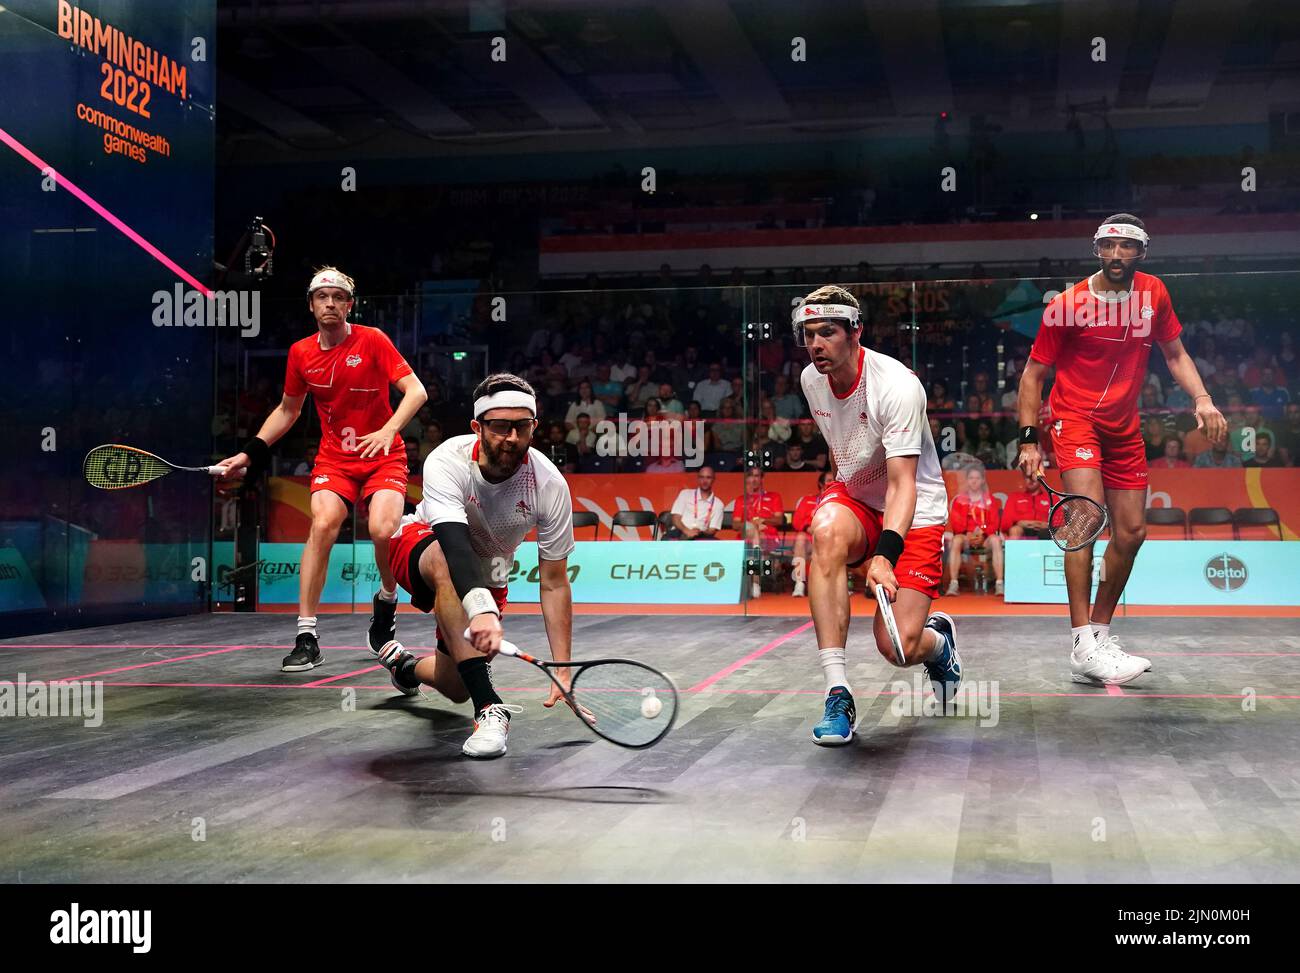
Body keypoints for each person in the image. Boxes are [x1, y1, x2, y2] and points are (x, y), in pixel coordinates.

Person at [1016, 215, 1228, 685]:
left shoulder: (1154, 294)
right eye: (1108, 247)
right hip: (1075, 420)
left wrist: (1203, 399)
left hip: (1124, 428)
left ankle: (1099, 632)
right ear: (1097, 250)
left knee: (1131, 533)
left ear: (1141, 253)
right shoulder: (1067, 305)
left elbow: (1175, 354)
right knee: (1085, 519)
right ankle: (1080, 644)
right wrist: (1029, 441)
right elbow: (1032, 376)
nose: (1116, 255)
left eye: (1126, 247)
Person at [217, 267, 428, 672]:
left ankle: (386, 601)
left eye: (338, 297)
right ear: (311, 305)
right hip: (336, 459)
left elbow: (416, 390)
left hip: (384, 455)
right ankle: (307, 636)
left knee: (384, 528)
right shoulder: (300, 353)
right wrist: (250, 453)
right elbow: (288, 410)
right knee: (324, 523)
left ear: (349, 304)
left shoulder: (373, 340)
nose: (330, 303)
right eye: (321, 297)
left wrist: (389, 430)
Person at [375, 373, 577, 758]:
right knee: (448, 563)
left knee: (454, 685)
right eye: (500, 426)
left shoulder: (549, 484)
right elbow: (454, 544)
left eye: (522, 426)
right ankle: (490, 709)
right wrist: (481, 610)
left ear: (534, 427)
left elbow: (553, 582)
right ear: (477, 427)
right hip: (420, 548)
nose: (512, 437)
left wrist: (563, 668)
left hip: (488, 573)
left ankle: (402, 665)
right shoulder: (447, 461)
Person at [795, 285, 957, 746]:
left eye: (828, 332)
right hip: (858, 499)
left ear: (855, 332)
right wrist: (839, 510)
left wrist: (883, 556)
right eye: (809, 335)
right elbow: (839, 446)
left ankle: (939, 643)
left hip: (915, 508)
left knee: (898, 647)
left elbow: (903, 484)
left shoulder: (898, 386)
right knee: (824, 532)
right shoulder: (811, 380)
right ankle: (837, 693)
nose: (817, 345)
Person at [945, 466, 1004, 595]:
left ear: (982, 480)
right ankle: (953, 584)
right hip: (966, 537)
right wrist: (969, 533)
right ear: (967, 480)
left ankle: (999, 584)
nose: (974, 481)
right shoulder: (960, 501)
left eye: (977, 478)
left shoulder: (990, 500)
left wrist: (983, 533)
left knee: (996, 540)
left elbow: (995, 523)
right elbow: (956, 524)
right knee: (956, 540)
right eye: (971, 478)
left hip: (985, 538)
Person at [734, 466, 785, 600]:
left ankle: (754, 579)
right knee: (751, 529)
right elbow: (735, 524)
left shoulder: (774, 496)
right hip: (748, 536)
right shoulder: (741, 499)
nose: (754, 479)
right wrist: (752, 525)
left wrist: (762, 521)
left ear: (762, 479)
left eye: (757, 476)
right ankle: (756, 583)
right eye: (751, 475)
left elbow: (779, 520)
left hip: (768, 538)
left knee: (756, 538)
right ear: (747, 479)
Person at [790, 470, 834, 597]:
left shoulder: (837, 501)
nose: (832, 483)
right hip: (810, 540)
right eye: (829, 480)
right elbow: (797, 521)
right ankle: (799, 583)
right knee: (800, 538)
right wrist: (809, 528)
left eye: (834, 481)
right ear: (821, 484)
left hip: (829, 539)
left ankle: (829, 587)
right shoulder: (807, 500)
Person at [668, 466, 724, 539]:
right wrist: (687, 531)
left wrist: (699, 532)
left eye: (708, 477)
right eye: (702, 477)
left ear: (713, 479)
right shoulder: (685, 494)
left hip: (701, 535)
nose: (704, 481)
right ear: (698, 479)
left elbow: (712, 530)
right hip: (680, 532)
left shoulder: (718, 504)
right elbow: (676, 518)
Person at [999, 469, 1051, 538]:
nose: (1031, 480)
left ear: (1041, 478)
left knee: (1060, 531)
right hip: (1021, 530)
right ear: (1024, 478)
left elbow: (1060, 522)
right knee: (1014, 530)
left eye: (1034, 476)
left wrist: (1047, 525)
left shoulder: (1051, 498)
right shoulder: (1014, 497)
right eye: (1028, 477)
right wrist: (1019, 522)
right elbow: (1004, 524)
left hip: (1046, 530)